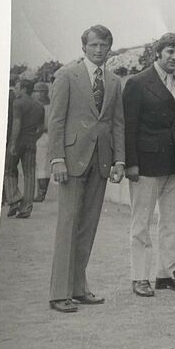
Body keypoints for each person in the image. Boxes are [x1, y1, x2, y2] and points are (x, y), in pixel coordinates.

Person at [47, 25, 126, 314]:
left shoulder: (114, 81)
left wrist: (119, 160)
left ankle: (78, 288)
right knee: (68, 224)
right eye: (93, 45)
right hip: (71, 161)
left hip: (101, 161)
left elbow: (117, 123)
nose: (98, 49)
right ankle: (59, 293)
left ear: (109, 48)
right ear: (84, 47)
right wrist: (56, 159)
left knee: (88, 226)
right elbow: (55, 121)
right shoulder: (67, 75)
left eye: (104, 45)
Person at [123, 33, 175, 298]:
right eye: (169, 52)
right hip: (146, 162)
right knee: (141, 221)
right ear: (158, 54)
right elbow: (128, 126)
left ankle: (167, 274)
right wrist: (130, 163)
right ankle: (140, 277)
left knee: (172, 219)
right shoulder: (137, 83)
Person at [5, 78, 46, 219]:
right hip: (31, 142)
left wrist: (12, 144)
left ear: (23, 89)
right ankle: (26, 209)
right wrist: (34, 138)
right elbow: (42, 127)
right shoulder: (39, 106)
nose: (15, 90)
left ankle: (14, 199)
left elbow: (17, 123)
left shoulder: (18, 103)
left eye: (17, 88)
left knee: (9, 169)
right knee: (29, 174)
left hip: (18, 140)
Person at [32, 81, 52, 203]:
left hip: (43, 136)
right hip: (45, 136)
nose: (37, 94)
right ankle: (41, 192)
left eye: (38, 91)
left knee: (42, 165)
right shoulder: (49, 105)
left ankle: (41, 193)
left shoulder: (44, 106)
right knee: (44, 166)